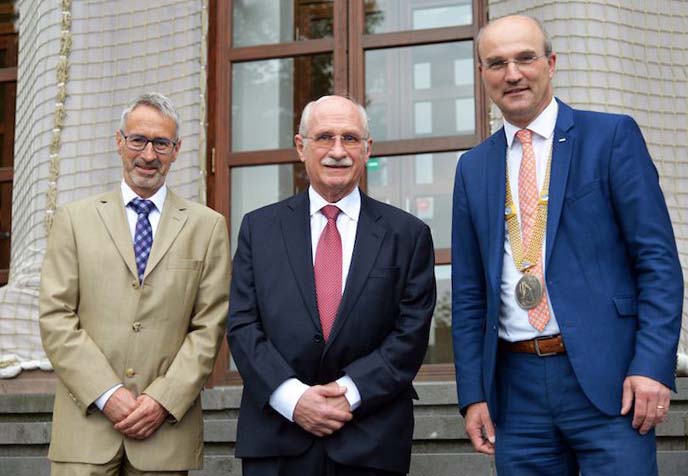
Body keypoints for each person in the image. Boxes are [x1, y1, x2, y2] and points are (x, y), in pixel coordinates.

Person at [451, 15, 683, 475]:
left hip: (611, 380)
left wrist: (653, 365)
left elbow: (657, 261)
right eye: (496, 63)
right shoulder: (472, 167)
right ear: (482, 75)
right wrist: (473, 394)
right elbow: (469, 293)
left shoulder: (611, 137)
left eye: (525, 58)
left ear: (551, 63)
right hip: (516, 394)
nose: (512, 74)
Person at [227, 95, 436, 476]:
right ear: (300, 146)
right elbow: (242, 324)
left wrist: (348, 395)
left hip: (370, 438)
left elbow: (411, 333)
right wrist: (294, 398)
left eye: (350, 139)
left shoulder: (408, 235)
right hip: (277, 438)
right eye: (324, 137)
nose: (337, 151)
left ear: (367, 148)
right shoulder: (258, 229)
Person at [39, 92, 230, 475]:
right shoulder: (73, 220)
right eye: (138, 140)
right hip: (85, 430)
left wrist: (162, 400)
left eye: (161, 143)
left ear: (176, 151)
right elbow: (56, 317)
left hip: (164, 433)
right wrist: (107, 394)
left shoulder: (207, 227)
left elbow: (209, 327)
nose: (148, 155)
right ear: (119, 142)